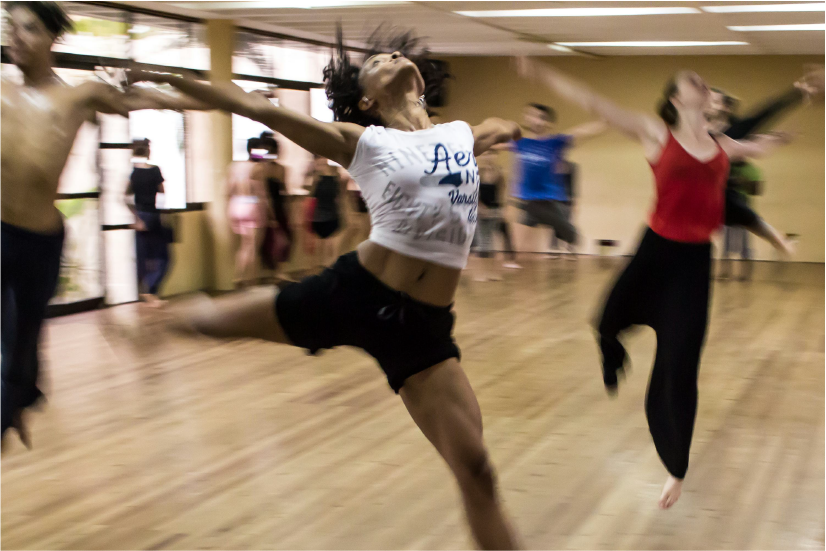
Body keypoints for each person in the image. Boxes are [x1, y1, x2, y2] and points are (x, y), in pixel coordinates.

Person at [131, 26, 524, 550]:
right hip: (356, 292)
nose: (390, 56)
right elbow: (253, 105)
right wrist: (167, 79)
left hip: (420, 327)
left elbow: (499, 127)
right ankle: (159, 325)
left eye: (392, 54)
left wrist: (517, 127)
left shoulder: (458, 134)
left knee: (477, 471)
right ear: (366, 101)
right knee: (221, 321)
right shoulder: (363, 142)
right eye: (376, 62)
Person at [516, 57, 793, 510]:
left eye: (703, 80)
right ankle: (614, 359)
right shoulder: (654, 133)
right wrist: (541, 73)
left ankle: (675, 467)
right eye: (692, 80)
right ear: (676, 99)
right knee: (606, 321)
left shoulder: (722, 144)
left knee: (681, 364)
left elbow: (757, 147)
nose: (702, 81)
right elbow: (596, 103)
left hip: (694, 265)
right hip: (655, 252)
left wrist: (785, 128)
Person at [0, 1, 209, 449]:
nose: (15, 37)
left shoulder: (79, 95)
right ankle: (10, 404)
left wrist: (172, 81)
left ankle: (18, 396)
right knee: (7, 343)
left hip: (39, 243)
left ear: (53, 38)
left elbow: (162, 99)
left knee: (22, 346)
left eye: (28, 28)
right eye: (10, 27)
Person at [705, 69, 824, 256]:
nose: (710, 104)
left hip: (717, 197)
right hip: (694, 199)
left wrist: (795, 94)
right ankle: (778, 238)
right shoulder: (694, 130)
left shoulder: (731, 133)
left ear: (725, 108)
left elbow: (762, 115)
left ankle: (778, 239)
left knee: (733, 204)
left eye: (715, 101)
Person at [509, 103, 605, 256]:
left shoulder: (554, 142)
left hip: (548, 201)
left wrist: (605, 122)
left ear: (549, 123)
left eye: (541, 118)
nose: (536, 121)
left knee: (572, 237)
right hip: (527, 200)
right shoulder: (521, 143)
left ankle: (567, 237)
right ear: (526, 118)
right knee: (520, 242)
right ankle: (515, 261)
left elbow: (581, 132)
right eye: (531, 116)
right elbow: (495, 143)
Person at [125, 138, 171, 306]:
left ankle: (146, 291)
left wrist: (136, 218)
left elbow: (125, 197)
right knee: (163, 257)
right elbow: (162, 193)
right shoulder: (154, 171)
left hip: (141, 216)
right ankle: (150, 291)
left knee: (144, 257)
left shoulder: (133, 173)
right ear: (148, 151)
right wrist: (161, 213)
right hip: (153, 215)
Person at [227, 137, 271, 287]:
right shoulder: (258, 168)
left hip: (236, 206)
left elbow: (228, 190)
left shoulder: (234, 166)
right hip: (252, 207)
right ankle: (251, 280)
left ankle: (238, 276)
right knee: (253, 246)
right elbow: (262, 193)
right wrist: (270, 213)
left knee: (244, 245)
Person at [471, 150, 519, 281]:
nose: (489, 157)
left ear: (496, 156)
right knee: (483, 243)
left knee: (491, 243)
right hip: (480, 211)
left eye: (492, 154)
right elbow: (473, 192)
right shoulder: (477, 172)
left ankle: (491, 273)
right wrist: (479, 207)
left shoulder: (499, 173)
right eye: (486, 154)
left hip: (495, 211)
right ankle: (480, 273)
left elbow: (502, 192)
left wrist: (503, 209)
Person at [719, 160, 762, 280]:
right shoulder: (727, 168)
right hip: (729, 209)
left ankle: (745, 274)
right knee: (726, 244)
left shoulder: (752, 170)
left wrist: (743, 182)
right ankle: (725, 273)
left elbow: (756, 190)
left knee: (745, 244)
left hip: (744, 209)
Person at [258, 131, 293, 277]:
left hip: (275, 206)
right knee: (271, 240)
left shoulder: (274, 168)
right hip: (270, 206)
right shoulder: (267, 169)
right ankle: (275, 271)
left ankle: (277, 271)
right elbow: (281, 191)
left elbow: (284, 191)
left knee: (282, 238)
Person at [304, 154, 346, 268]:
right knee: (320, 251)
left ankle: (327, 272)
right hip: (319, 216)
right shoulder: (316, 177)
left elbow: (342, 196)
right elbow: (309, 194)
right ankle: (320, 272)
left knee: (330, 250)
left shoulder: (336, 175)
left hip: (332, 214)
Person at [549, 157, 577, 259]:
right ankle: (554, 248)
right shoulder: (552, 167)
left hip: (567, 200)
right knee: (555, 223)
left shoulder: (571, 166)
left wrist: (574, 202)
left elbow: (573, 184)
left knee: (568, 223)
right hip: (555, 199)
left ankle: (570, 248)